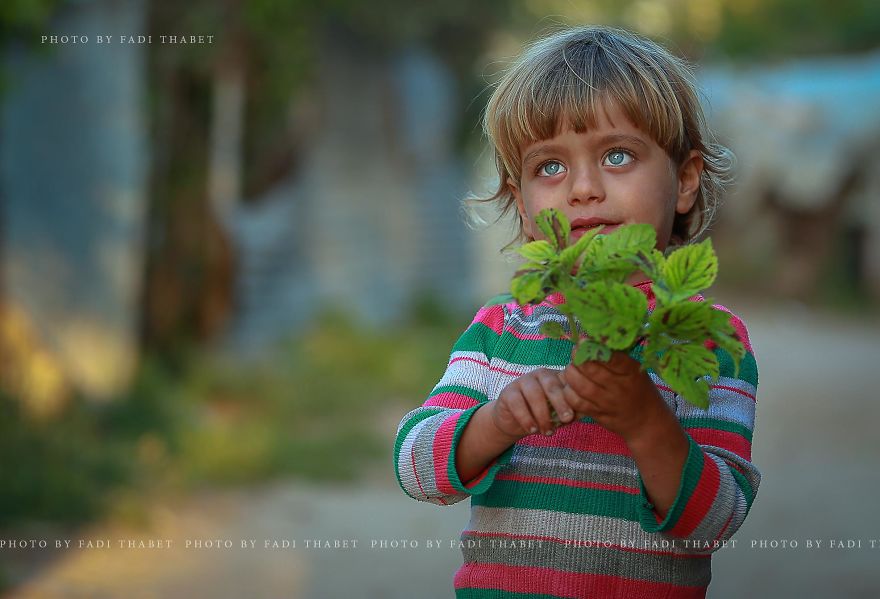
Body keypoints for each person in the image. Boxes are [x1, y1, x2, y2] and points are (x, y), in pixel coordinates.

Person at [393, 25, 759, 598]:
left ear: (685, 180)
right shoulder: (504, 329)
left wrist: (643, 418)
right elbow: (417, 466)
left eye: (618, 155)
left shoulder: (703, 339)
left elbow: (713, 523)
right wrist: (496, 422)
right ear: (521, 201)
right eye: (550, 168)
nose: (583, 188)